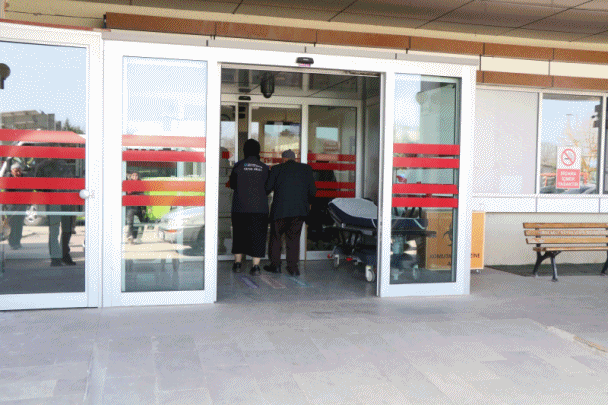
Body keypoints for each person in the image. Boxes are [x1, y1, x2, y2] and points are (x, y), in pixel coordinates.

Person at [264, 149, 316, 276]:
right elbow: (313, 191)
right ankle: (293, 268)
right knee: (293, 239)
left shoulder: (276, 169)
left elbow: (267, 188)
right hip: (299, 211)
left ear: (283, 159)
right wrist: (309, 203)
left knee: (276, 237)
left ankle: (275, 265)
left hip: (280, 210)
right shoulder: (306, 169)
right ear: (295, 158)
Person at [229, 139, 270, 276]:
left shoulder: (238, 166)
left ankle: (237, 264)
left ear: (245, 150)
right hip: (260, 208)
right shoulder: (264, 167)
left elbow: (232, 184)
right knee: (258, 236)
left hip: (240, 207)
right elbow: (268, 188)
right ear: (258, 150)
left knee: (239, 234)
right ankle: (256, 266)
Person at [34, 158, 76, 266]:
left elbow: (71, 182)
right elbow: (38, 186)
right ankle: (56, 257)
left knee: (67, 229)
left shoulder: (64, 164)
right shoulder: (43, 166)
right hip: (53, 200)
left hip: (66, 200)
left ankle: (64, 255)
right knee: (54, 230)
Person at [5, 162, 26, 249]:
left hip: (21, 206)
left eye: (19, 171)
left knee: (19, 224)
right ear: (12, 171)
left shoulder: (24, 179)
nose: (18, 173)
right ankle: (12, 243)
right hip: (12, 207)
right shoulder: (8, 180)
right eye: (16, 171)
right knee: (12, 225)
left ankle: (17, 241)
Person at [125, 171, 146, 244]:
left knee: (140, 222)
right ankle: (130, 237)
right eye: (133, 175)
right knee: (130, 223)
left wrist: (144, 208)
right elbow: (129, 192)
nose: (135, 177)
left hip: (139, 206)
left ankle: (134, 237)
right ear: (131, 176)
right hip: (130, 206)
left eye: (136, 175)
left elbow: (142, 195)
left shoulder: (140, 183)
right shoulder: (128, 183)